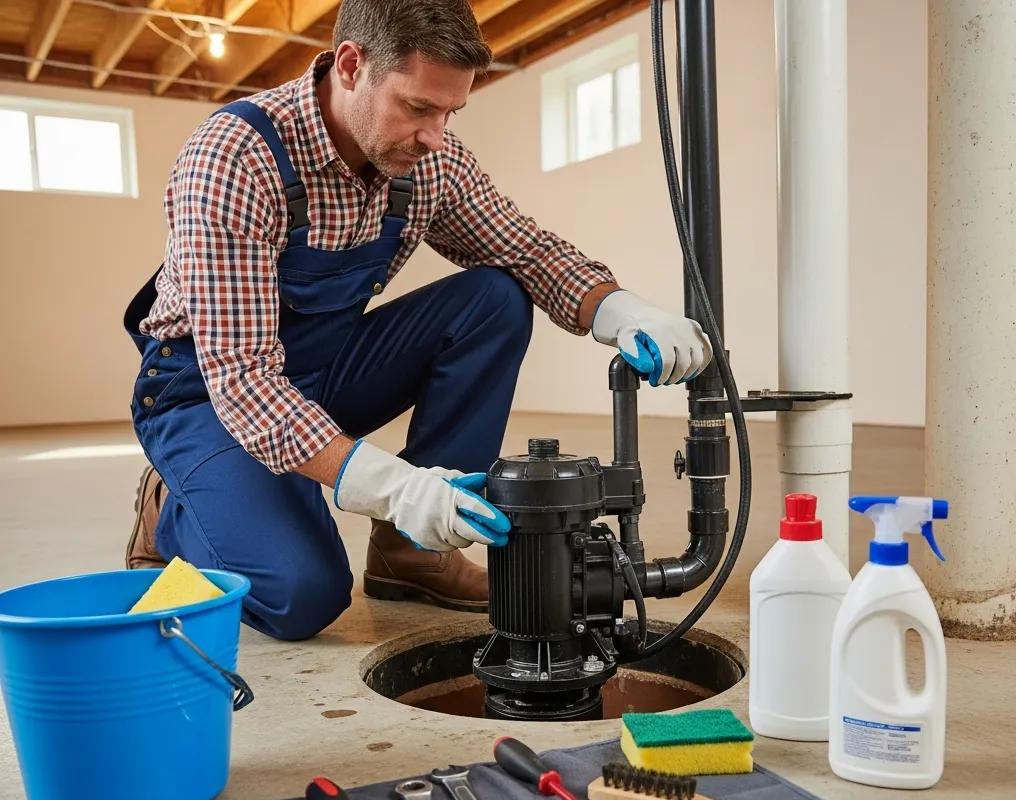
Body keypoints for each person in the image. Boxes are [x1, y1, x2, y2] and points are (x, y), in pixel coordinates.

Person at [124, 0, 711, 641]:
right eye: (418, 108)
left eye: (450, 111)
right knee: (301, 595)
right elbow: (242, 378)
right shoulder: (235, 158)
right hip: (209, 395)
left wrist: (620, 309)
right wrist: (396, 488)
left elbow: (526, 248)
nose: (435, 135)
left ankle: (414, 553)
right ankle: (171, 509)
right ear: (351, 66)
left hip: (321, 370)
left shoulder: (428, 159)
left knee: (493, 298)